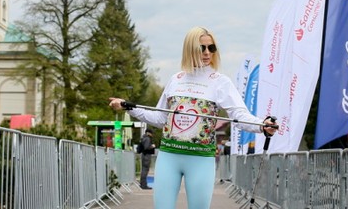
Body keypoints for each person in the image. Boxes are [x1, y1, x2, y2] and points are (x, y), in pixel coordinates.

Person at [108, 26, 277, 209]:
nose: (207, 53)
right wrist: (129, 107)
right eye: (201, 48)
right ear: (190, 49)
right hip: (169, 156)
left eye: (211, 48)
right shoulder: (176, 79)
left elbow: (239, 115)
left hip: (200, 159)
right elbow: (159, 117)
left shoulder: (220, 82)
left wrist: (262, 125)